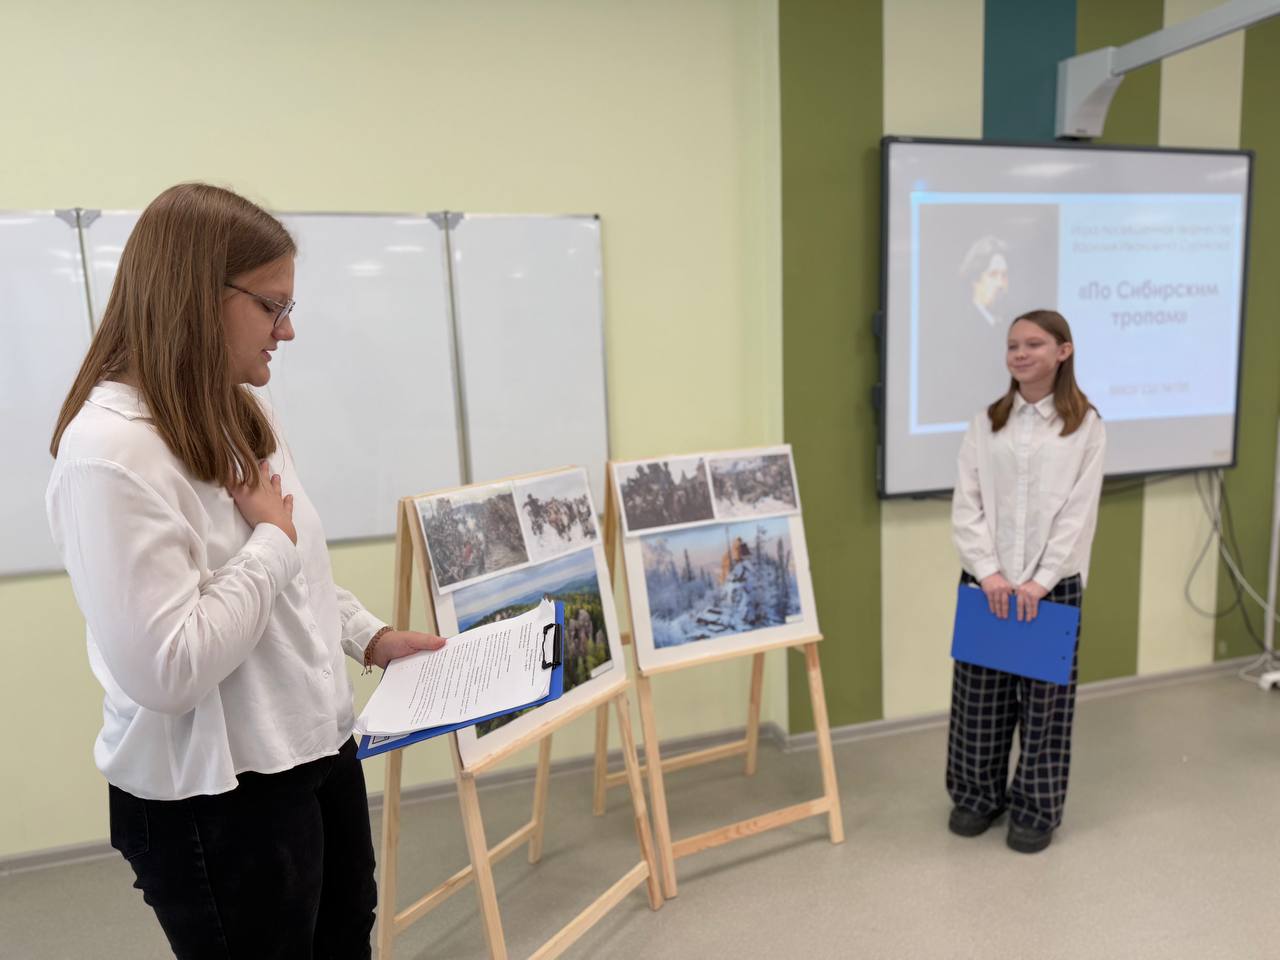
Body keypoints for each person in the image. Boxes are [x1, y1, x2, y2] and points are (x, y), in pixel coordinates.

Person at [45, 183, 447, 958]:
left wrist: (367, 636)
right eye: (272, 306)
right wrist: (268, 543)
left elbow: (297, 568)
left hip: (313, 751)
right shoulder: (110, 454)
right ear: (200, 296)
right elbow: (170, 670)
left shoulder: (234, 408)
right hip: (217, 798)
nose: (287, 332)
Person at [946, 308, 1106, 854]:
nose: (1019, 353)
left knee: (1045, 708)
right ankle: (976, 796)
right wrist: (989, 573)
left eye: (1033, 344)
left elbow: (1077, 513)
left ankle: (1035, 808)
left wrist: (1038, 582)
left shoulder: (1084, 425)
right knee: (979, 700)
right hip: (986, 584)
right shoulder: (986, 421)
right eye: (1012, 345)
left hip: (1050, 588)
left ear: (1063, 352)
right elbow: (966, 502)